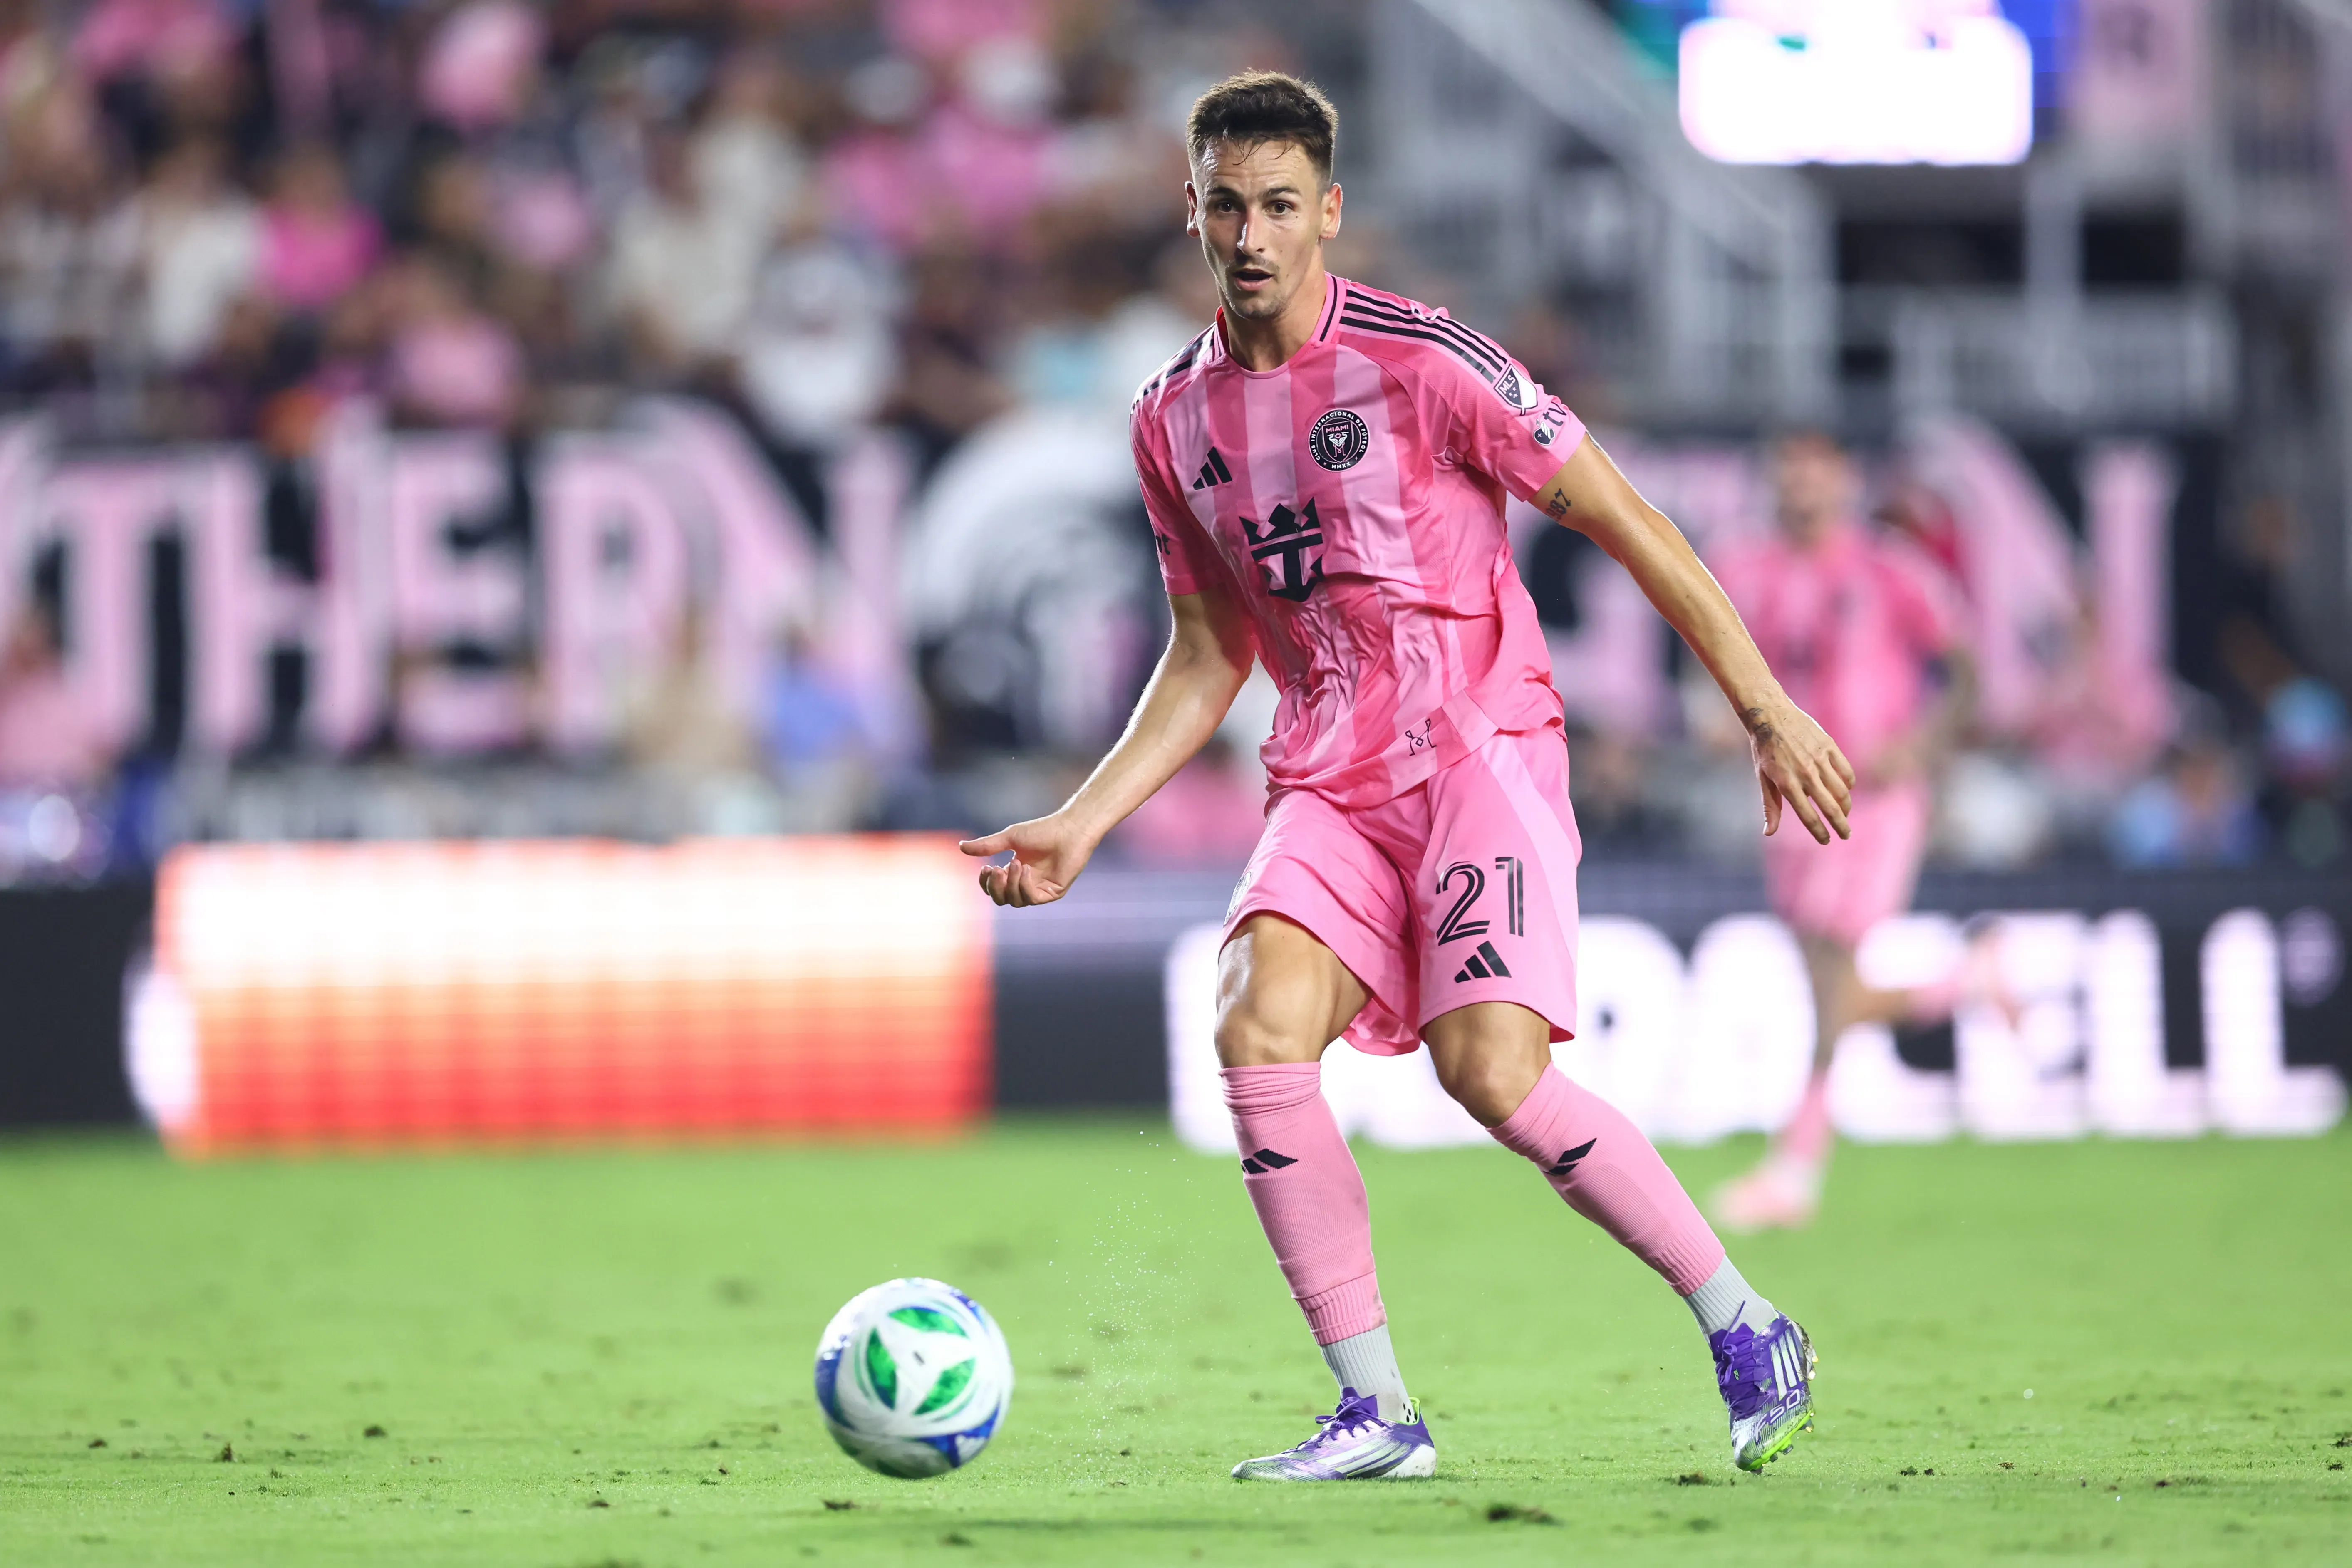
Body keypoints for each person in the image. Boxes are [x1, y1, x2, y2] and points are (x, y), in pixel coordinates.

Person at [962, 72, 1853, 1481]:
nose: (1250, 236)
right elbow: (1207, 650)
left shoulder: (1426, 360)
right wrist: (1083, 820)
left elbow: (1627, 517)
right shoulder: (1170, 418)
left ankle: (1747, 1324)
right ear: (1190, 213)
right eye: (1224, 206)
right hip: (1327, 771)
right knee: (1255, 1020)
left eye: (1277, 206)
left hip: (1477, 749)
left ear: (1327, 211)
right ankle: (1377, 1411)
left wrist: (1763, 705)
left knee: (1490, 1072)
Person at [1708, 433, 1992, 1232]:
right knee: (1825, 988)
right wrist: (1723, 718)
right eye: (1789, 472)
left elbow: (1966, 669)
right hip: (1790, 790)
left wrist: (1923, 744)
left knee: (1833, 972)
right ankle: (1963, 984)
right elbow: (1714, 658)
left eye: (1816, 472)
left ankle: (1794, 1169)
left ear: (1846, 481)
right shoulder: (1743, 570)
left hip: (1874, 796)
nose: (1801, 486)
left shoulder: (1891, 569)